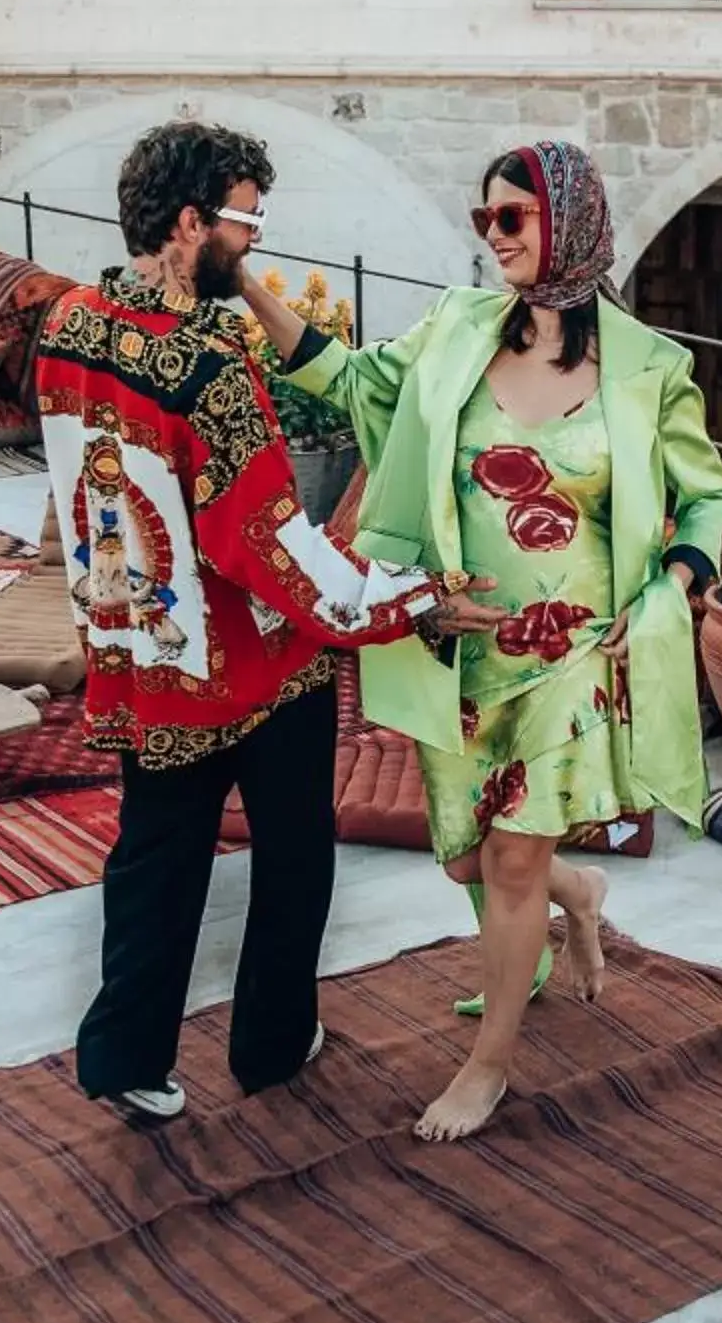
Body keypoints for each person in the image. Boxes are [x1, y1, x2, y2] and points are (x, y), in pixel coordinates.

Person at [239, 139, 722, 1141]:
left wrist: (669, 594)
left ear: (572, 226)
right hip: (456, 646)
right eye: (484, 220)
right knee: (471, 858)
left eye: (512, 218)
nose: (493, 238)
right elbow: (349, 383)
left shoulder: (650, 369)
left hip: (576, 655)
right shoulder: (455, 330)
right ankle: (580, 893)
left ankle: (489, 1064)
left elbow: (705, 496)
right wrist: (245, 280)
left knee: (506, 866)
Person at [37, 119, 496, 1124]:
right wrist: (418, 602)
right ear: (191, 221)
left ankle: (124, 1056)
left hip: (145, 647)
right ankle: (272, 1046)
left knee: (155, 852)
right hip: (256, 662)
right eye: (246, 223)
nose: (255, 245)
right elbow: (276, 551)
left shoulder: (67, 326)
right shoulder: (208, 367)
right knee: (294, 853)